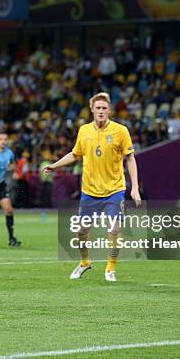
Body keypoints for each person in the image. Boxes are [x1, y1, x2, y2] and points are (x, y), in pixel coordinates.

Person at [41, 92, 141, 282]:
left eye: (104, 108)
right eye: (98, 108)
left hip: (114, 190)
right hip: (90, 192)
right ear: (92, 110)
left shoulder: (121, 131)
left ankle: (111, 268)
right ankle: (85, 262)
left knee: (113, 230)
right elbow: (75, 153)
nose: (101, 111)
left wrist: (134, 187)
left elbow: (130, 158)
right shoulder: (84, 130)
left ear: (109, 110)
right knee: (81, 231)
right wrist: (54, 164)